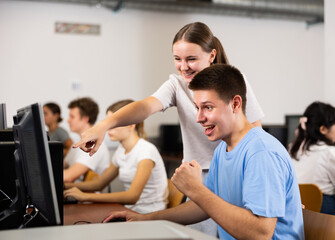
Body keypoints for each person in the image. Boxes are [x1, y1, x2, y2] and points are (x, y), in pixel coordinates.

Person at [73, 22, 264, 236]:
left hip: (234, 172)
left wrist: (269, 186)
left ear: (211, 55)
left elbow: (256, 135)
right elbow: (146, 106)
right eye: (177, 59)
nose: (183, 67)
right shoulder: (177, 84)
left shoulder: (234, 84)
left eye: (191, 59)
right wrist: (104, 125)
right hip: (197, 174)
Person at [102, 64, 304, 240]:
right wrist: (146, 219)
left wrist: (196, 190)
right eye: (197, 108)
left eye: (207, 107)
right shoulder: (223, 149)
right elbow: (203, 205)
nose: (199, 118)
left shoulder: (261, 152)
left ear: (235, 104)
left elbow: (260, 234)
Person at [64, 99, 168, 214]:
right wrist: (66, 186)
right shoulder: (121, 150)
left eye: (114, 123)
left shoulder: (146, 151)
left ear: (131, 124)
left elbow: (132, 196)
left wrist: (85, 196)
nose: (108, 128)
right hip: (132, 211)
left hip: (149, 215)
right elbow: (100, 183)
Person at [289, 101, 335, 239]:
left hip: (299, 223)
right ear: (323, 129)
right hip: (324, 224)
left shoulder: (292, 149)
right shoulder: (329, 153)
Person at [64, 97, 110, 183]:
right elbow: (63, 165)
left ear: (85, 119)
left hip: (87, 195)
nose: (68, 120)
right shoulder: (78, 143)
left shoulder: (94, 145)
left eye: (72, 117)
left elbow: (68, 177)